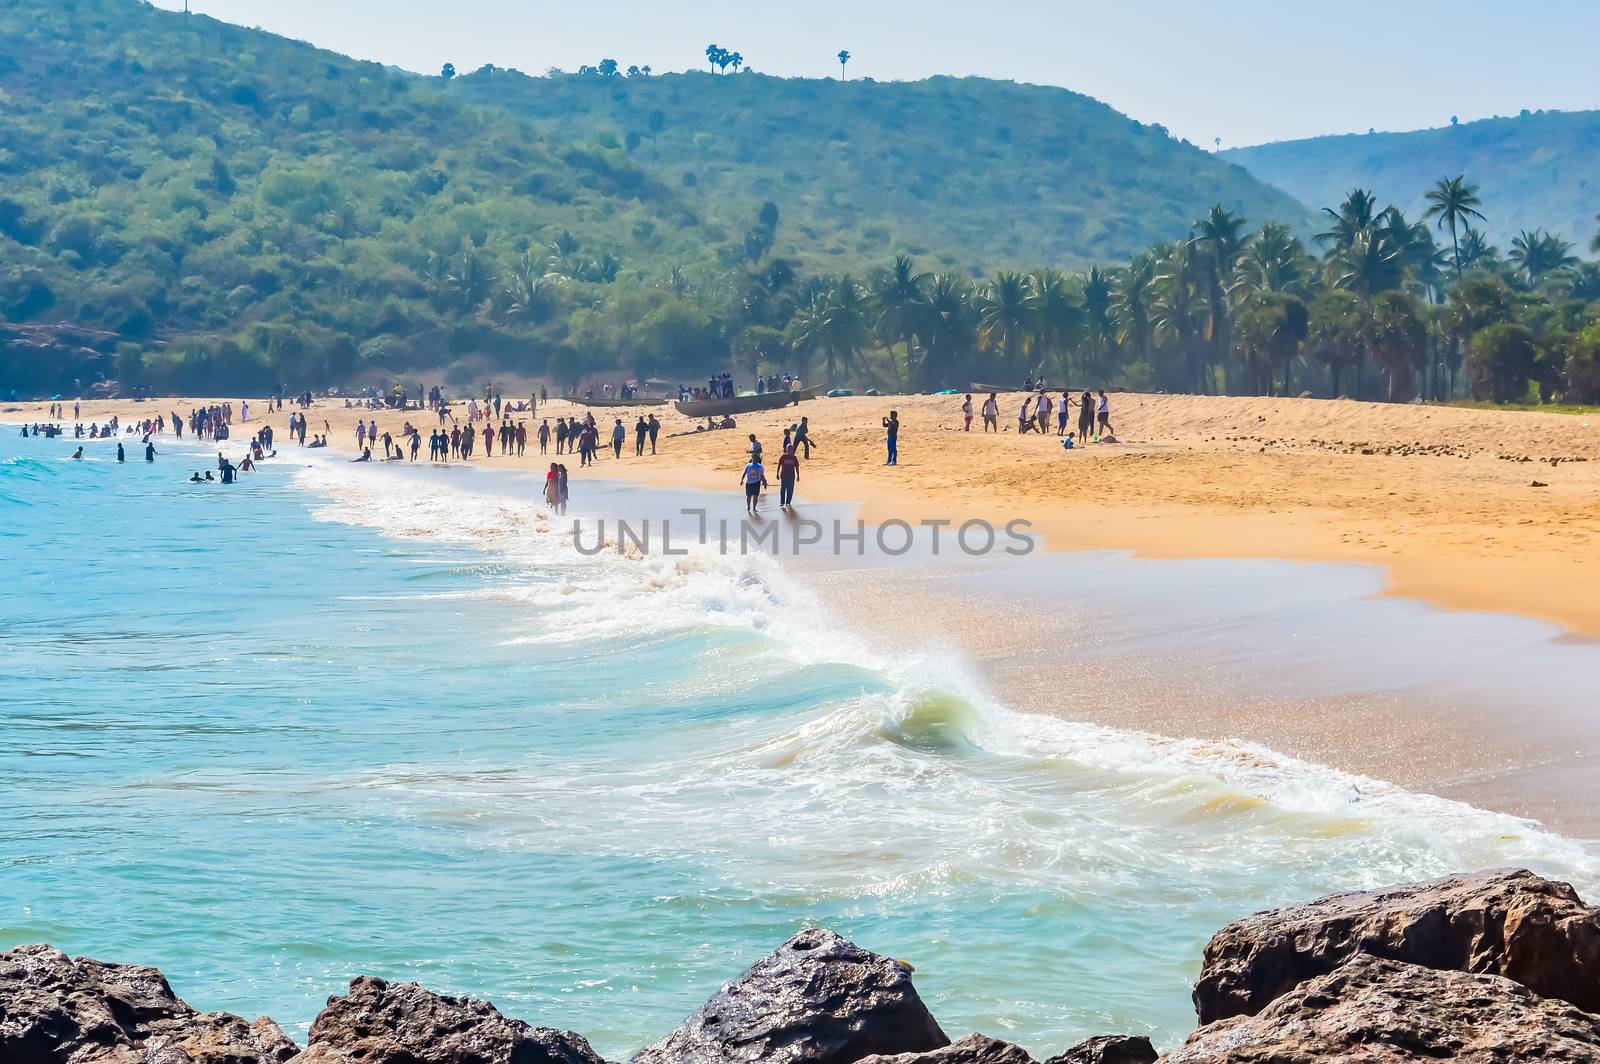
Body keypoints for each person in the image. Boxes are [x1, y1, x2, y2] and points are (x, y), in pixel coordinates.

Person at [777, 444, 800, 508]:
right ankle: (782, 502)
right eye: (789, 449)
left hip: (791, 476)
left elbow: (797, 467)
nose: (790, 450)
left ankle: (788, 502)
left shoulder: (794, 457)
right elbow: (779, 465)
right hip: (783, 475)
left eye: (791, 449)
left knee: (790, 489)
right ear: (786, 449)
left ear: (793, 450)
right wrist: (777, 474)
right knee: (783, 489)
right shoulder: (783, 456)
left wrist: (798, 475)